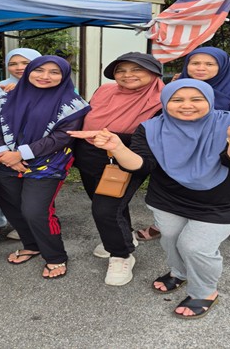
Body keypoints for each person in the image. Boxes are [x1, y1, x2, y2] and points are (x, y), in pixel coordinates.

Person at [70, 79, 230, 319]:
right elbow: (142, 165)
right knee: (170, 239)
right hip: (170, 197)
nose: (187, 105)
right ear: (165, 102)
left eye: (196, 99)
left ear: (210, 100)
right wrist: (117, 148)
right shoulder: (151, 128)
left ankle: (204, 291)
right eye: (177, 99)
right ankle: (179, 273)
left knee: (194, 247)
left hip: (224, 200)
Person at [135, 46, 230, 242]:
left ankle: (213, 232)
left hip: (219, 152)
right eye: (195, 63)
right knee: (172, 219)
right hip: (177, 153)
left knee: (197, 243)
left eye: (209, 63)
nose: (201, 68)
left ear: (222, 66)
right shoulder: (176, 84)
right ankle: (167, 225)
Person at [0, 55, 90, 279]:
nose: (45, 76)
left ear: (64, 76)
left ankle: (55, 255)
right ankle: (31, 245)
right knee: (12, 207)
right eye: (39, 70)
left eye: (54, 72)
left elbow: (62, 136)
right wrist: (4, 152)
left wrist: (20, 154)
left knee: (36, 211)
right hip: (6, 160)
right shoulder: (4, 97)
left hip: (48, 164)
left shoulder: (72, 104)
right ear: (29, 71)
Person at [73, 52, 164, 286]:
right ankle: (124, 236)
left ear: (154, 73)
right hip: (90, 153)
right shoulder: (105, 90)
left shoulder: (164, 98)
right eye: (121, 70)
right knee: (108, 204)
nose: (127, 75)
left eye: (137, 69)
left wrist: (114, 139)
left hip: (127, 155)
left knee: (105, 208)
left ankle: (121, 255)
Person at [0, 47, 42, 235]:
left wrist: (22, 93)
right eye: (13, 64)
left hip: (39, 151)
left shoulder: (51, 85)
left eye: (25, 63)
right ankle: (16, 226)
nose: (19, 67)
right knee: (9, 193)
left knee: (37, 195)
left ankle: (36, 229)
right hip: (5, 151)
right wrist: (5, 153)